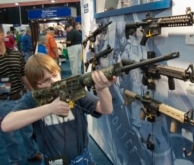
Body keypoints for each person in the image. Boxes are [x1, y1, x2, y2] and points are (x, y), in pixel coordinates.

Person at [1, 54, 117, 165]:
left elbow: (106, 109)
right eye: (46, 80)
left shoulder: (72, 88)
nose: (54, 81)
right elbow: (6, 125)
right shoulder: (32, 99)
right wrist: (49, 108)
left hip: (82, 159)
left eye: (55, 75)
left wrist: (102, 89)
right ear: (36, 85)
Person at [0, 26, 42, 165]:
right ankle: (14, 161)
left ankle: (32, 153)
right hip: (3, 102)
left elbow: (24, 75)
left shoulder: (16, 55)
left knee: (27, 129)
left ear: (2, 34)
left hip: (21, 97)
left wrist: (33, 92)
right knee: (9, 135)